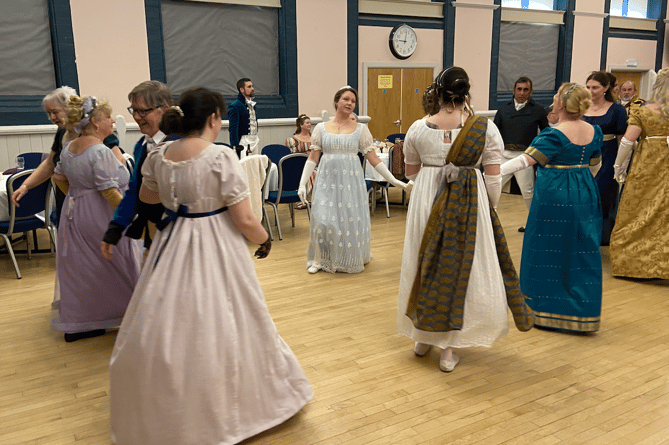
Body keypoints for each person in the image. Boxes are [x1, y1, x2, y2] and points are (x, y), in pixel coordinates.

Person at [108, 87, 312, 444]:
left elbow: (147, 201)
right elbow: (245, 217)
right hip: (217, 242)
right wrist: (264, 239)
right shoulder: (219, 157)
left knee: (173, 321)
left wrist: (177, 203)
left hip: (173, 243)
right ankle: (232, 405)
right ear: (214, 118)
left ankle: (172, 401)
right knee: (229, 316)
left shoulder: (158, 155)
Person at [397, 67, 534, 373]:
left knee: (424, 265)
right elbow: (494, 178)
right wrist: (490, 207)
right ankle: (449, 349)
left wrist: (435, 173)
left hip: (425, 203)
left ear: (438, 93)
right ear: (466, 95)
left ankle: (422, 338)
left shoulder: (418, 129)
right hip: (469, 202)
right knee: (460, 271)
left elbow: (410, 173)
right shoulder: (484, 129)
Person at [501, 83, 603, 332]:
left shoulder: (554, 134)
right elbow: (595, 165)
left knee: (545, 247)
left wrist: (491, 173)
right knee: (581, 249)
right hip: (585, 194)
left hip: (554, 196)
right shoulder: (594, 131)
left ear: (561, 104)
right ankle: (581, 314)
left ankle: (542, 309)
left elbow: (524, 161)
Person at [51, 95, 141, 342]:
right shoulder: (99, 151)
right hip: (101, 213)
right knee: (119, 261)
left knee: (84, 267)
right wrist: (129, 215)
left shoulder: (69, 148)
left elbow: (57, 178)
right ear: (94, 122)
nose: (112, 120)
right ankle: (127, 313)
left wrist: (78, 197)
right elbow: (108, 191)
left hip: (75, 212)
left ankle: (83, 320)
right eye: (108, 117)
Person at [297, 86, 407, 274]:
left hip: (350, 180)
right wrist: (302, 183)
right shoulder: (321, 129)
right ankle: (321, 258)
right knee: (323, 218)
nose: (350, 103)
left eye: (353, 101)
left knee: (347, 220)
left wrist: (393, 180)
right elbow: (313, 157)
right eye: (346, 99)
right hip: (326, 179)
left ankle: (347, 257)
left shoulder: (361, 129)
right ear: (336, 101)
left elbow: (373, 158)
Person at [11, 87, 126, 224]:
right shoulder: (62, 133)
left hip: (99, 206)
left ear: (69, 108)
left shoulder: (94, 130)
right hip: (71, 202)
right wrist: (25, 186)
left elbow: (119, 162)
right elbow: (50, 165)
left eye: (55, 112)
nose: (52, 117)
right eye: (49, 113)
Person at [101, 81, 174, 256]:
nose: (137, 116)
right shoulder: (142, 146)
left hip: (179, 235)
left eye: (142, 111)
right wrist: (115, 229)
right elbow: (134, 191)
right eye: (134, 110)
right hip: (154, 232)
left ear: (163, 109)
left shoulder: (181, 143)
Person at [610, 69, 669, 279]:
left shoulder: (644, 111)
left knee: (639, 208)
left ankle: (634, 261)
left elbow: (627, 141)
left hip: (649, 165)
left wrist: (619, 167)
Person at [493, 76, 548, 232]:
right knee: (492, 187)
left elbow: (546, 133)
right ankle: (487, 221)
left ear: (530, 92)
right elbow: (494, 134)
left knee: (528, 191)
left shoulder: (538, 110)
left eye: (525, 90)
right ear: (513, 90)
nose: (522, 93)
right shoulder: (503, 110)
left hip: (525, 157)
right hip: (504, 156)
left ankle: (534, 223)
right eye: (519, 89)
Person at [583, 71, 628, 246]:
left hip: (607, 154)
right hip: (584, 154)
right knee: (584, 194)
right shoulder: (582, 106)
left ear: (606, 88)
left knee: (603, 194)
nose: (591, 91)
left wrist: (621, 165)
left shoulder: (616, 109)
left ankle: (602, 235)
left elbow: (623, 137)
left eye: (595, 87)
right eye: (588, 87)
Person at [285, 114, 313, 209]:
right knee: (310, 172)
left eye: (310, 123)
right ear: (301, 125)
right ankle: (304, 199)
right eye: (307, 123)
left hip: (314, 163)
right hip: (299, 165)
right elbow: (293, 156)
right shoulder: (294, 140)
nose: (310, 125)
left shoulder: (314, 138)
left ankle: (315, 199)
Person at [228, 77, 259, 155]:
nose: (252, 88)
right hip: (244, 141)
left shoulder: (253, 104)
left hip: (255, 139)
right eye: (249, 87)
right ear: (242, 89)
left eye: (252, 86)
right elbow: (233, 129)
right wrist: (234, 147)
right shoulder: (235, 106)